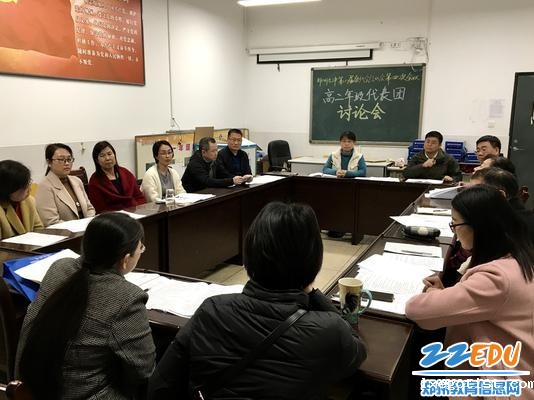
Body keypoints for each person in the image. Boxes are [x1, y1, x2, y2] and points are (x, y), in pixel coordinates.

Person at [147, 202, 366, 399]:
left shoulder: (211, 310)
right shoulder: (330, 329)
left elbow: (161, 386)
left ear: (251, 252)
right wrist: (312, 291)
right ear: (314, 260)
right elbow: (356, 348)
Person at [406, 185, 534, 394]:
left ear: (479, 226)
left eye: (455, 224)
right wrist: (447, 294)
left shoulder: (497, 279)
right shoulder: (517, 255)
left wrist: (433, 294)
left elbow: (416, 310)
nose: (455, 233)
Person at [15, 212, 156, 399]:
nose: (141, 251)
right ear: (125, 259)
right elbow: (144, 371)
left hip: (32, 388)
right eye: (141, 248)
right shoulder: (128, 298)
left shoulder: (59, 267)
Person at [35, 143, 95, 227]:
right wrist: (78, 227)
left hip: (87, 229)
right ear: (49, 162)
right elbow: (51, 222)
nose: (66, 163)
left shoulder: (77, 181)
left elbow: (89, 208)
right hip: (65, 233)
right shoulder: (44, 186)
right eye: (61, 159)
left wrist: (90, 225)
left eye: (69, 159)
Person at [88, 141, 145, 213]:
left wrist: (136, 209)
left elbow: (139, 197)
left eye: (109, 154)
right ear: (97, 160)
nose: (107, 158)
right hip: (112, 217)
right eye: (102, 156)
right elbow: (99, 209)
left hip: (135, 213)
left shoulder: (126, 173)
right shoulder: (94, 181)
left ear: (114, 155)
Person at [0, 160, 43, 239]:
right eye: (24, 187)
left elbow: (38, 228)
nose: (29, 189)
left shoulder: (29, 201)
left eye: (29, 183)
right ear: (8, 189)